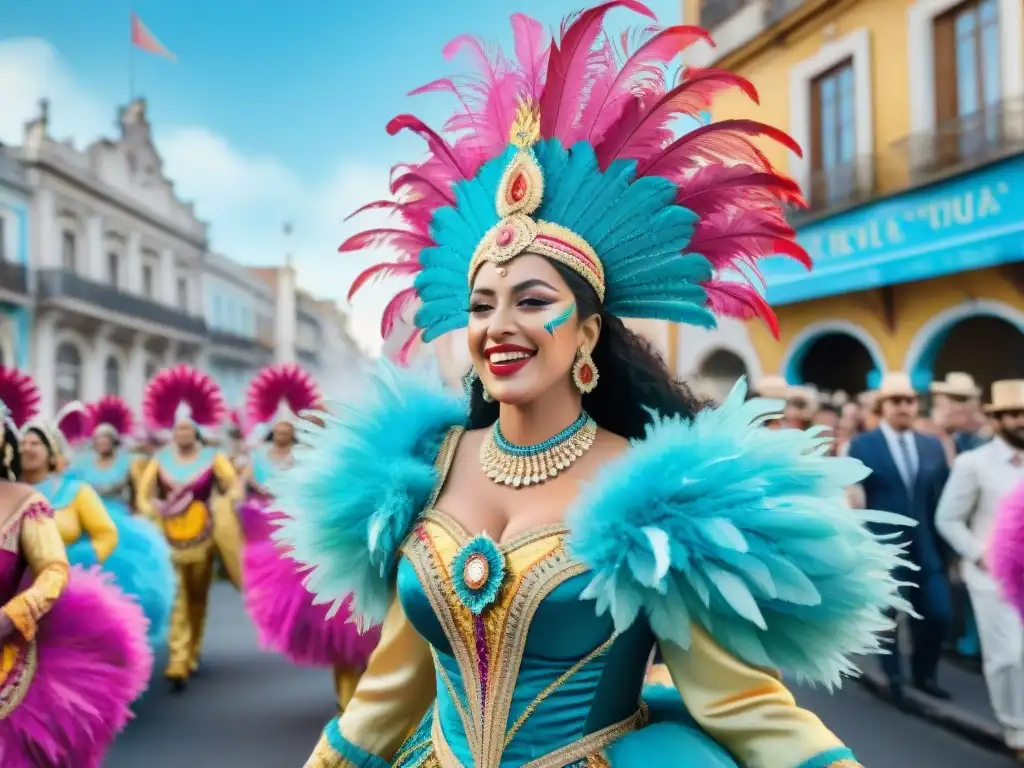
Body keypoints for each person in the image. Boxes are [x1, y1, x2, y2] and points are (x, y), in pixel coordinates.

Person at [274, 7, 913, 766]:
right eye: (482, 306)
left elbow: (743, 706)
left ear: (585, 333)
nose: (499, 326)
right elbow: (387, 696)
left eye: (533, 301)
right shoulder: (424, 472)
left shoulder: (656, 496)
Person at [0, 366, 150, 767]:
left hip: (17, 636)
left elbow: (58, 565)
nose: (31, 448)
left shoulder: (34, 500)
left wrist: (14, 614)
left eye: (36, 443)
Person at [240, 362, 381, 711]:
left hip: (362, 557)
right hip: (323, 560)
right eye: (315, 425)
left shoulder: (359, 459)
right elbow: (293, 504)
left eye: (326, 425)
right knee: (343, 641)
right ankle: (349, 707)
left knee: (370, 637)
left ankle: (364, 704)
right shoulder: (302, 462)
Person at [846, 371, 952, 706]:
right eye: (896, 401)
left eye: (909, 400)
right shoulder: (863, 444)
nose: (904, 407)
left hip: (927, 546)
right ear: (883, 406)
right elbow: (854, 496)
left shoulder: (931, 445)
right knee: (888, 614)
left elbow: (944, 497)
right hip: (885, 545)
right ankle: (893, 677)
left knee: (938, 613)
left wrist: (947, 549)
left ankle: (924, 674)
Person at [135, 364, 243, 691]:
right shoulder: (160, 459)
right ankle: (179, 660)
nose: (182, 434)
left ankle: (193, 648)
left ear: (195, 432)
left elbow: (233, 487)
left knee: (197, 597)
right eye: (177, 430)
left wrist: (227, 505)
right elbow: (144, 494)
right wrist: (152, 512)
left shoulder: (213, 458)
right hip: (169, 535)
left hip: (204, 535)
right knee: (178, 597)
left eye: (187, 430)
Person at [943, 380, 1024, 758]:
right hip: (994, 579)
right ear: (997, 419)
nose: (1020, 420)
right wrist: (980, 554)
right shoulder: (973, 463)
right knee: (1007, 655)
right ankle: (1016, 730)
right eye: (1012, 414)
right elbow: (948, 519)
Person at [70, 395, 175, 648]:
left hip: (119, 519)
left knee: (125, 572)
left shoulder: (130, 462)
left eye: (105, 438)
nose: (101, 443)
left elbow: (141, 493)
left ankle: (126, 620)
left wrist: (142, 515)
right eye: (97, 439)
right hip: (89, 520)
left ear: (113, 441)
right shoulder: (82, 464)